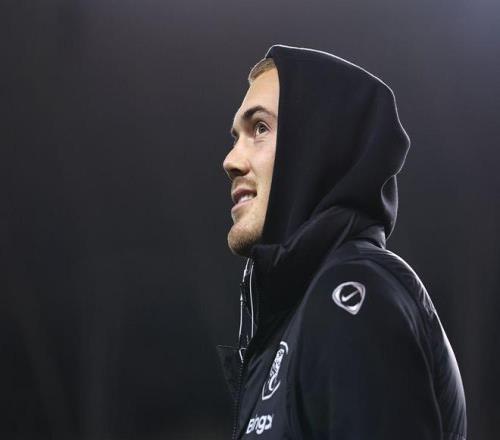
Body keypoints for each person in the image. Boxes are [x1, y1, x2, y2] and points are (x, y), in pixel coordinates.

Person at [218, 44, 467, 440]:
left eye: (260, 129)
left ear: (317, 147)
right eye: (236, 137)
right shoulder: (296, 318)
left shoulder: (350, 294)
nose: (231, 160)